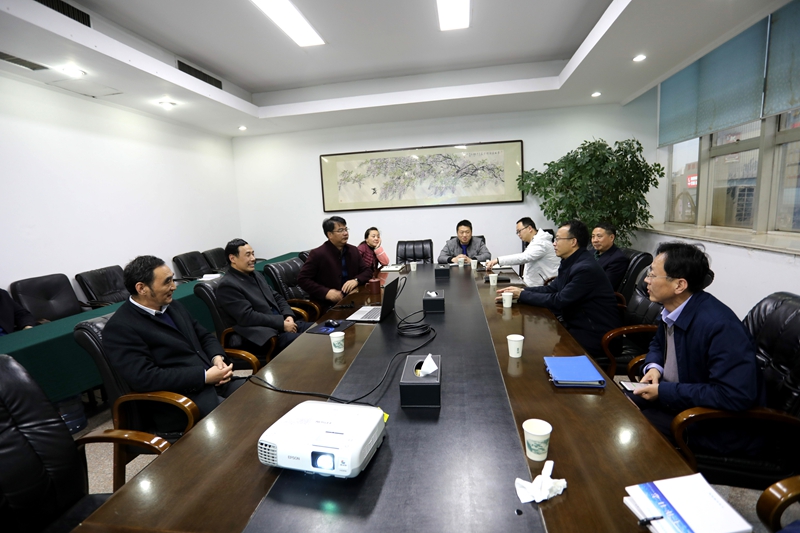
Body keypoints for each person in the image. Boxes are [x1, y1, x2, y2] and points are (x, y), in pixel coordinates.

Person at [631, 242, 764, 453]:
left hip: (712, 423)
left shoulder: (720, 326)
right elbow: (658, 344)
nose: (646, 280)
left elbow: (733, 395)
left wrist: (663, 391)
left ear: (679, 285)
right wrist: (655, 367)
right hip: (678, 400)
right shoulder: (672, 310)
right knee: (616, 407)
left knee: (635, 429)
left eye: (653, 275)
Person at [103, 255, 245, 432]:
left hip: (215, 384)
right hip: (179, 402)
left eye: (172, 279)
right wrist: (203, 376)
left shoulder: (172, 306)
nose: (173, 287)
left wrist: (217, 358)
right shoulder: (120, 327)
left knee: (260, 396)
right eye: (167, 282)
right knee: (240, 420)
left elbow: (204, 336)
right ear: (141, 288)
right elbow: (145, 378)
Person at [496, 220, 620, 360]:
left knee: (537, 352)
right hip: (576, 323)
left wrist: (522, 295)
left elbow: (559, 300)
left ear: (573, 242)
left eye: (558, 239)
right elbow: (552, 288)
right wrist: (522, 291)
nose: (554, 243)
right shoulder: (570, 261)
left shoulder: (585, 268)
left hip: (596, 334)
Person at [217, 238, 311, 360]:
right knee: (310, 342)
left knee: (323, 330)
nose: (253, 258)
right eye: (248, 255)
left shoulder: (256, 274)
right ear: (232, 258)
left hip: (281, 325)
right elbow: (248, 317)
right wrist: (281, 324)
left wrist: (288, 315)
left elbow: (277, 297)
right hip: (265, 336)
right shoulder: (227, 285)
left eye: (253, 254)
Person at [298, 216, 372, 307]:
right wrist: (326, 292)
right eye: (340, 230)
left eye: (346, 229)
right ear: (330, 235)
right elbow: (303, 279)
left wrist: (356, 280)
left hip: (353, 299)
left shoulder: (353, 250)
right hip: (328, 305)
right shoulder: (318, 254)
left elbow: (367, 271)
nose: (345, 233)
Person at [485, 217, 560, 287]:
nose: (518, 234)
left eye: (519, 231)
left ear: (530, 228)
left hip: (545, 286)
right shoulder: (535, 242)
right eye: (517, 232)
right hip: (534, 285)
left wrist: (498, 260)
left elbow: (524, 257)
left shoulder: (541, 243)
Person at [591, 223, 629, 290]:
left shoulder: (618, 259)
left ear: (611, 238)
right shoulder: (590, 252)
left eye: (599, 236)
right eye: (593, 236)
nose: (595, 240)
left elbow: (604, 285)